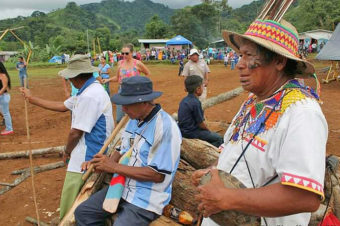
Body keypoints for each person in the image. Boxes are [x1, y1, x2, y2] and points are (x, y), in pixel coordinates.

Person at [192, 19, 327, 226]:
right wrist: (213, 172)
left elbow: (305, 197)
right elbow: (235, 152)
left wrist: (227, 198)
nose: (239, 64)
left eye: (248, 55)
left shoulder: (302, 112)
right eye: (240, 55)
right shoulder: (253, 102)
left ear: (280, 61)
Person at [74, 76, 181, 226]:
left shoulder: (165, 128)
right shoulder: (133, 119)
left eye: (127, 104)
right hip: (122, 187)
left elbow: (157, 175)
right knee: (83, 213)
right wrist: (101, 164)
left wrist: (113, 167)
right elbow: (121, 150)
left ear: (144, 102)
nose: (123, 109)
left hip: (145, 199)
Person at [20, 55, 114, 220]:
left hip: (89, 152)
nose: (69, 80)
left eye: (70, 77)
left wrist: (67, 152)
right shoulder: (90, 89)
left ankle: (69, 220)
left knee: (72, 196)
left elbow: (75, 133)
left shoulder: (89, 96)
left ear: (76, 77)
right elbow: (63, 106)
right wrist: (31, 99)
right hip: (93, 146)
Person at [102, 43, 150, 123]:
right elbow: (117, 78)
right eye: (122, 53)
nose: (124, 55)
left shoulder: (137, 63)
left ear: (132, 53)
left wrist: (140, 85)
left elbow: (148, 73)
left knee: (135, 118)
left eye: (126, 53)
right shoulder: (120, 63)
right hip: (122, 92)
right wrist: (108, 80)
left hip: (134, 93)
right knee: (119, 119)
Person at [178, 75, 223, 148]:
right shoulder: (196, 102)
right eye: (202, 86)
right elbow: (201, 123)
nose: (203, 88)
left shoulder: (184, 100)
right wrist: (208, 131)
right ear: (198, 89)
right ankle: (207, 150)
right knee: (219, 139)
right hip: (191, 133)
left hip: (183, 131)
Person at [0, 62, 13, 135]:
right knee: (5, 113)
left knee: (6, 113)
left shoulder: (3, 76)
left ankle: (9, 129)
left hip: (3, 97)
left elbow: (4, 87)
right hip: (1, 96)